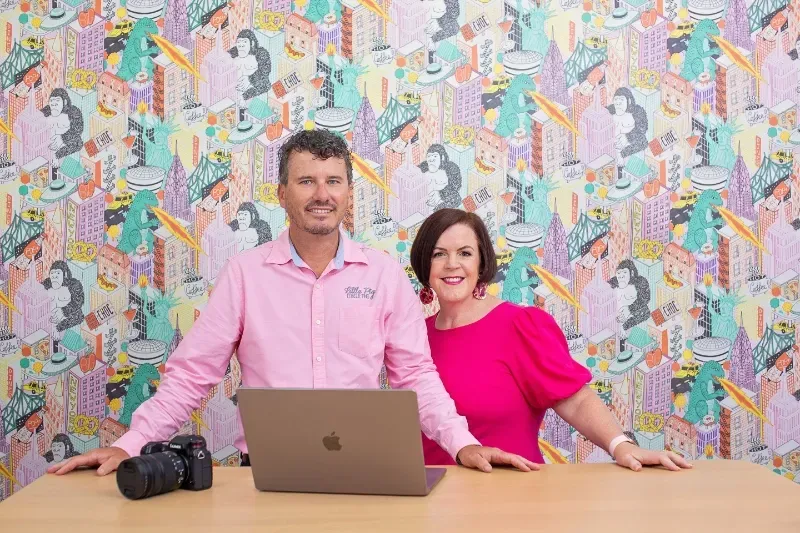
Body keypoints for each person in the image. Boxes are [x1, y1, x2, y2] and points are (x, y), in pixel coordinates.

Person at [48, 130, 536, 477]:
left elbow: (418, 378)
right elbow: (191, 377)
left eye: (333, 181)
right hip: (266, 471)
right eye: (306, 181)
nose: (321, 194)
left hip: (364, 470)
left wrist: (463, 444)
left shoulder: (385, 276)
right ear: (282, 194)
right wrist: (127, 444)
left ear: (349, 195)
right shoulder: (244, 275)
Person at [409, 209, 692, 472]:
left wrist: (621, 445)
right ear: (425, 263)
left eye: (465, 253)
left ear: (482, 262)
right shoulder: (412, 340)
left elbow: (576, 400)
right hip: (432, 503)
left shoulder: (517, 326)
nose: (452, 264)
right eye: (438, 254)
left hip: (508, 498)